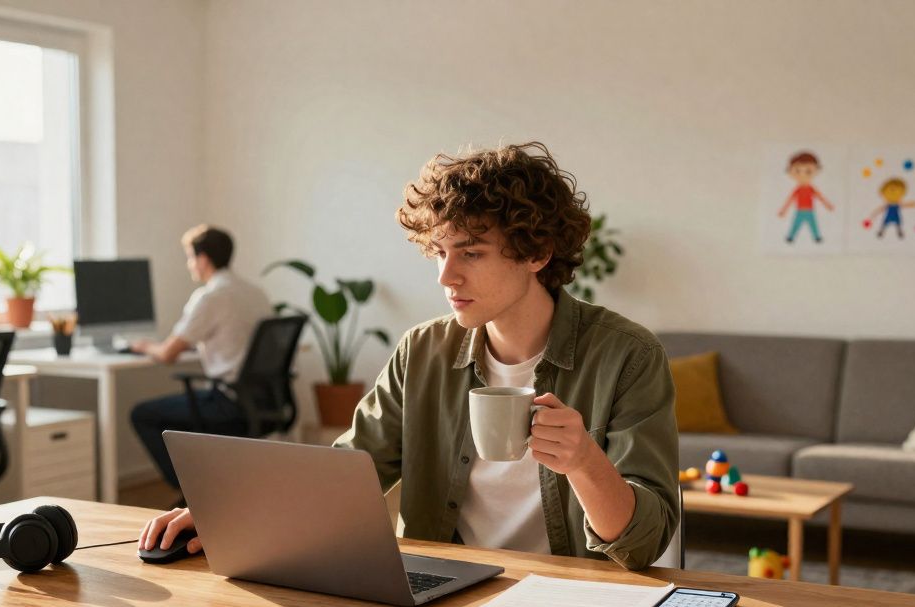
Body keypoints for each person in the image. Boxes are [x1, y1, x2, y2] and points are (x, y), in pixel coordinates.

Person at [141, 143, 679, 573]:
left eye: (471, 253)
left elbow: (644, 543)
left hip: (572, 602)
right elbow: (351, 470)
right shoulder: (423, 350)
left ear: (537, 254)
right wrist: (229, 518)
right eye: (440, 253)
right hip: (447, 592)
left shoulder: (627, 356)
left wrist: (584, 462)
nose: (446, 277)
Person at [128, 225, 272, 490]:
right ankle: (211, 487)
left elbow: (168, 353)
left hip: (228, 402)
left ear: (203, 258)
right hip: (264, 400)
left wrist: (144, 346)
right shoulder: (255, 293)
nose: (189, 264)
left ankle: (194, 493)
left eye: (190, 257)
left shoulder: (210, 296)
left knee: (143, 414)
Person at [777, 151, 835, 244]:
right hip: (799, 210)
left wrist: (828, 205)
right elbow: (790, 200)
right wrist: (783, 210)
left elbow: (820, 197)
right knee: (795, 224)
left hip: (810, 211)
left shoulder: (811, 189)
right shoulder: (797, 190)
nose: (802, 175)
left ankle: (817, 237)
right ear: (790, 172)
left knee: (813, 225)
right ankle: (790, 237)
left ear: (817, 171)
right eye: (797, 171)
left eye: (808, 171)